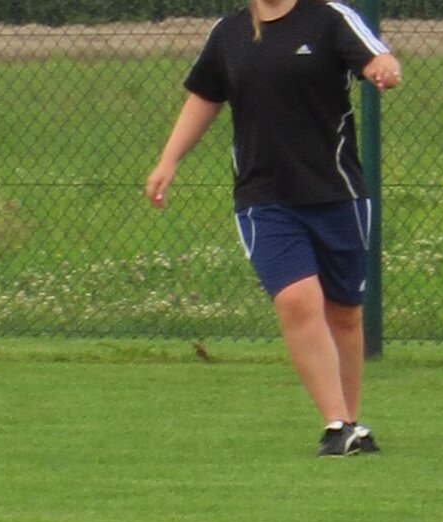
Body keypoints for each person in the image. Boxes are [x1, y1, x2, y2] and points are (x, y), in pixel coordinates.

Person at [145, 0, 401, 457]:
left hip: (336, 193)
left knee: (344, 312)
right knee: (297, 299)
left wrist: (384, 68)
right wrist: (168, 160)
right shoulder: (228, 34)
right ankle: (335, 424)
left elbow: (375, 58)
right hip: (263, 198)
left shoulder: (328, 18)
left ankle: (350, 423)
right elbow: (204, 97)